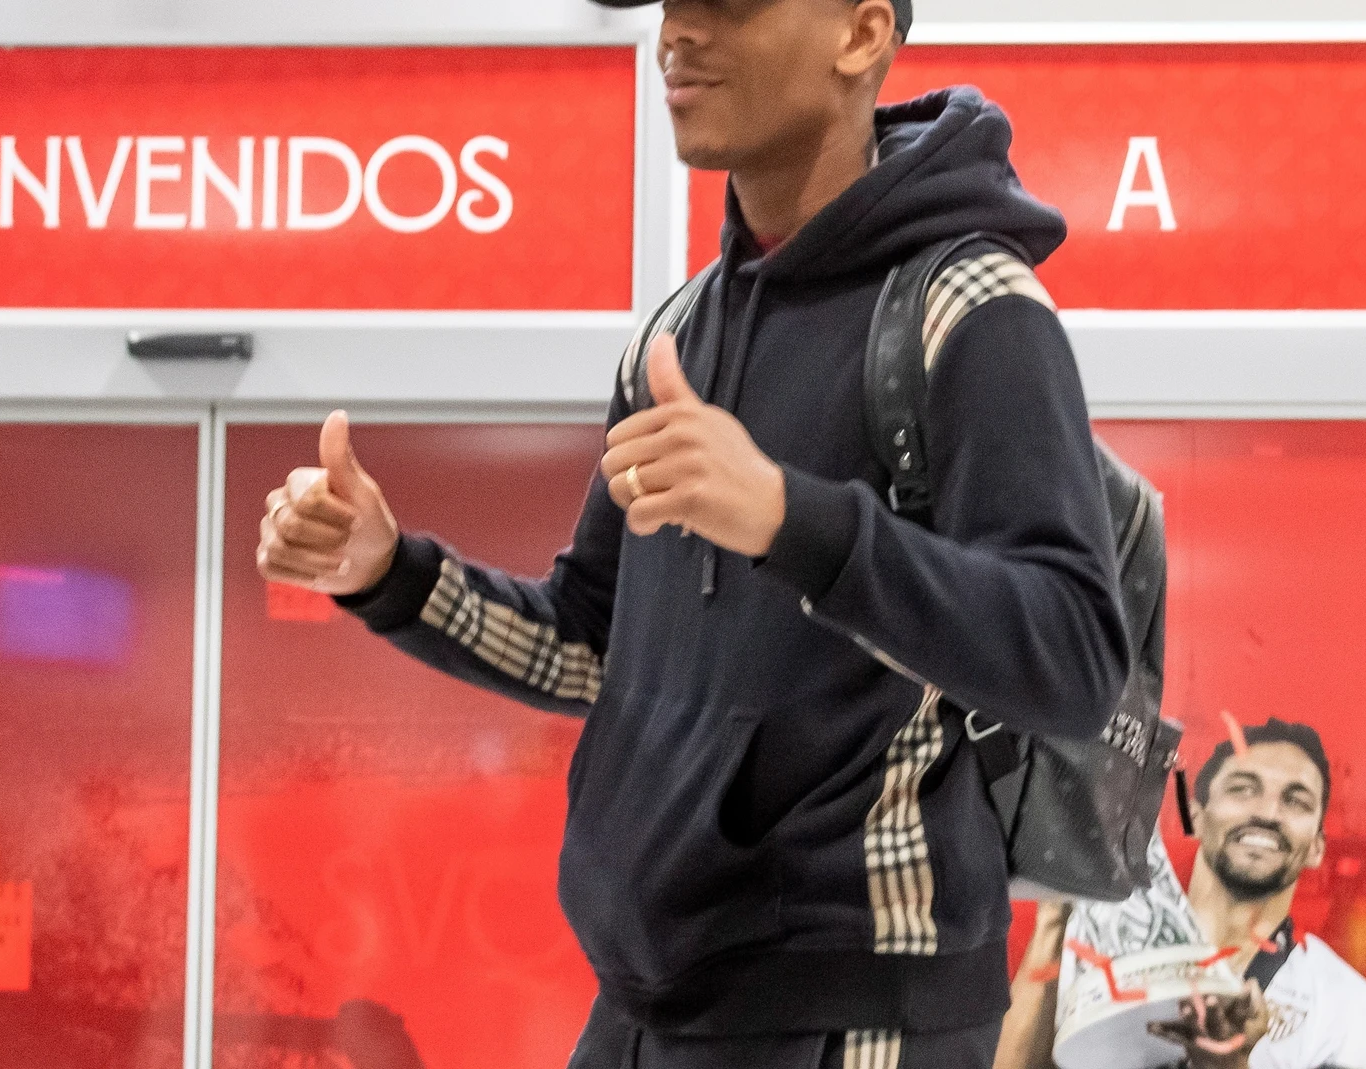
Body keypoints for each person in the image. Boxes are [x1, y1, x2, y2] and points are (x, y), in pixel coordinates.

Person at [257, 0, 1130, 1064]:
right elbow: (591, 648)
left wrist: (786, 518)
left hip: (855, 1015)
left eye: (727, 7)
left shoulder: (970, 308)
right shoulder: (673, 334)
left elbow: (1075, 658)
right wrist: (388, 573)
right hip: (643, 1007)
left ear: (859, 36)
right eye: (672, 7)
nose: (679, 35)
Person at [996, 718, 1366, 1069]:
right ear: (1196, 818)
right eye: (1243, 789)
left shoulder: (1346, 1004)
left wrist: (1227, 1065)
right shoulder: (1096, 950)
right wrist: (1055, 920)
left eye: (1295, 800)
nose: (1268, 813)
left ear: (1318, 845)